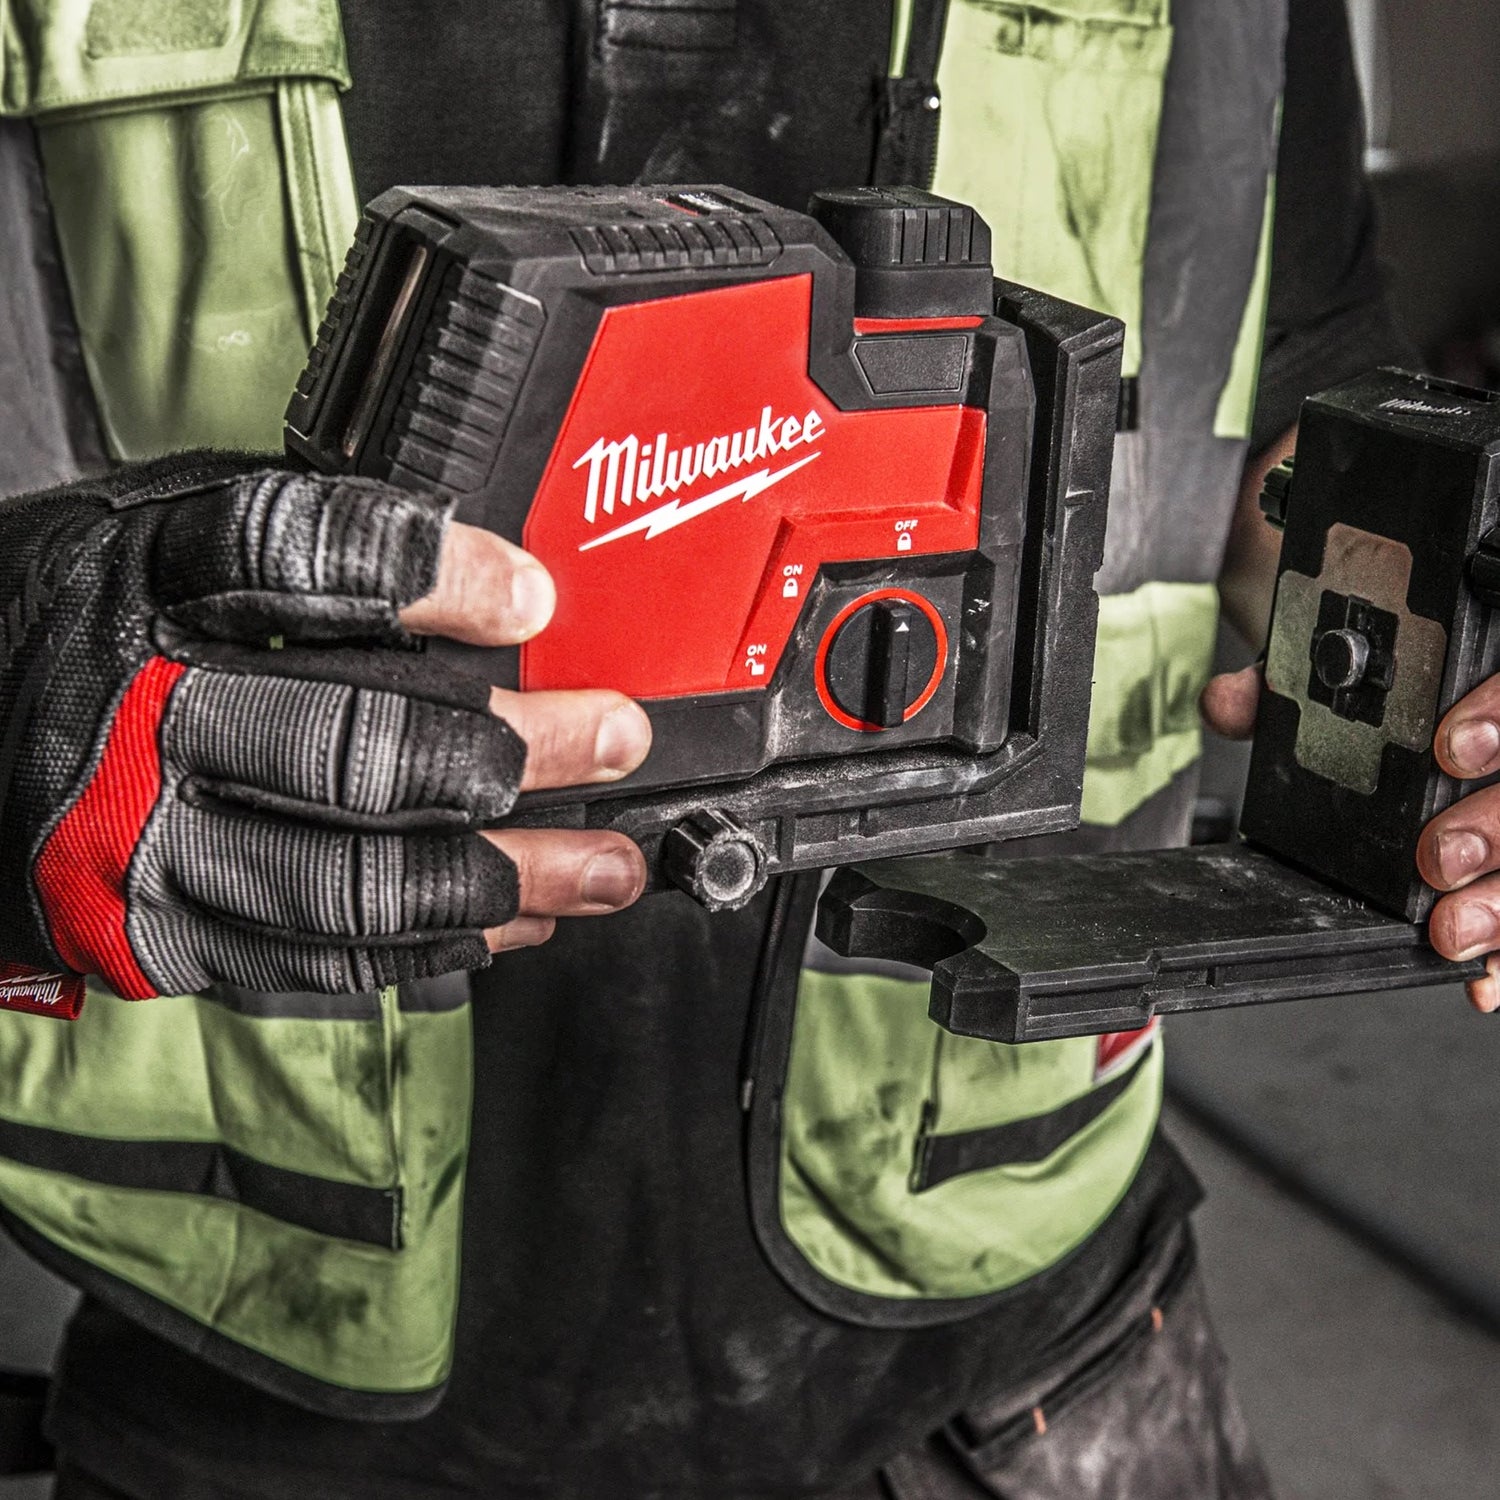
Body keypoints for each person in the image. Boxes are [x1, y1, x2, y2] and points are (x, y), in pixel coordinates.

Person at [0, 0, 1433, 1496]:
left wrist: (1438, 632)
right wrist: (24, 674)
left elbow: (1296, 377)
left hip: (1023, 1333)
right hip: (259, 1340)